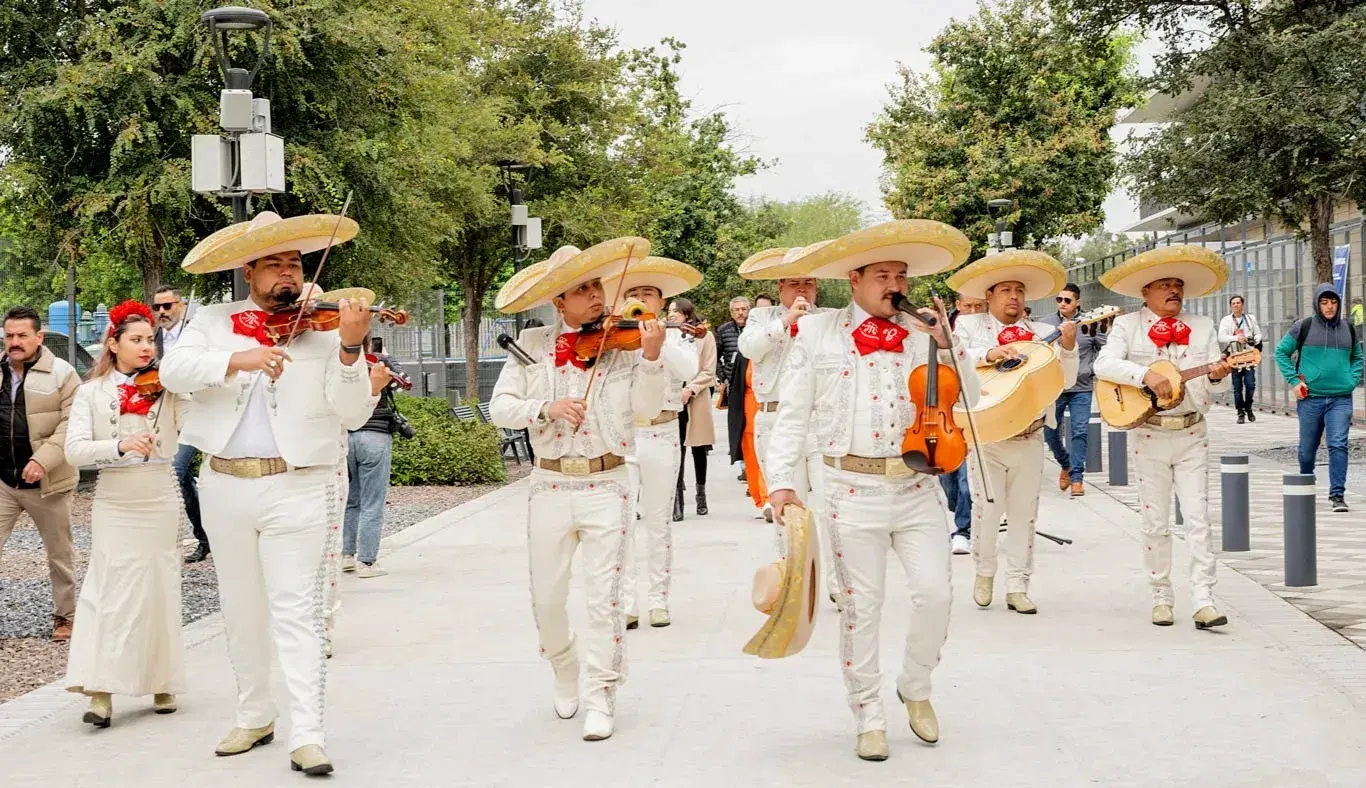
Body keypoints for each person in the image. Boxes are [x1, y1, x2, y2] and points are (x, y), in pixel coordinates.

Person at [162, 211, 376, 776]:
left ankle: (307, 732)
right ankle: (254, 713)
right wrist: (240, 357)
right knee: (240, 608)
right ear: (249, 270)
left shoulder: (328, 328)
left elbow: (352, 413)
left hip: (297, 484)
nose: (287, 273)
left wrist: (352, 351)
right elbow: (173, 371)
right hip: (225, 481)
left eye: (295, 263)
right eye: (275, 263)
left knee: (295, 612)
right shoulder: (213, 319)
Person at [765, 219, 978, 762]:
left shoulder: (922, 331)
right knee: (863, 606)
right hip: (847, 488)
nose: (895, 285)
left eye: (901, 275)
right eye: (883, 274)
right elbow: (792, 414)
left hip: (915, 487)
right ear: (854, 279)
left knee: (936, 594)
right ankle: (868, 712)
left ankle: (916, 685)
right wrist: (783, 483)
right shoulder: (817, 333)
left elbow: (968, 399)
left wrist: (950, 348)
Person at [489, 239, 667, 743]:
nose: (594, 297)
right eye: (580, 290)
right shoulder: (533, 343)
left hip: (608, 481)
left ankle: (601, 694)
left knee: (605, 599)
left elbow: (648, 407)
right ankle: (564, 665)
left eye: (596, 286)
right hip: (548, 482)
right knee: (546, 598)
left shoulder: (625, 343)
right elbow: (501, 406)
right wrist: (545, 407)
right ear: (558, 303)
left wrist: (652, 360)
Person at [62, 301, 188, 728]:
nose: (146, 347)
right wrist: (116, 447)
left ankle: (163, 681)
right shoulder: (91, 391)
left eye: (150, 339)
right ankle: (100, 689)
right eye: (136, 340)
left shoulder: (167, 386)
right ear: (112, 343)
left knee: (160, 585)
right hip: (115, 497)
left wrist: (189, 385)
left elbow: (197, 424)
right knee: (109, 590)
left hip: (159, 493)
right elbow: (74, 451)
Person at [1094, 245, 1233, 629]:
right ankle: (1161, 594)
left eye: (1178, 285)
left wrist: (1218, 376)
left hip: (1192, 432)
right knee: (1154, 521)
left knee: (1198, 518)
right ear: (1146, 292)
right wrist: (1146, 376)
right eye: (1165, 285)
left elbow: (1214, 388)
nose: (1174, 291)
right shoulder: (1126, 325)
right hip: (1149, 434)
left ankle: (1204, 598)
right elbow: (1103, 364)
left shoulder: (1203, 326)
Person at [949, 250, 1077, 616]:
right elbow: (956, 357)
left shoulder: (1040, 334)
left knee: (1025, 514)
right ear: (989, 296)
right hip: (987, 436)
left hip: (1030, 435)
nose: (1014, 297)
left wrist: (1067, 350)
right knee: (987, 511)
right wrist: (990, 353)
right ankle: (984, 570)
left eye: (1019, 290)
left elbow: (1063, 382)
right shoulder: (970, 327)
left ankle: (1019, 584)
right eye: (1005, 290)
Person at [600, 257, 700, 631]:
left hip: (662, 431)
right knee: (621, 522)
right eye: (634, 295)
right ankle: (626, 602)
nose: (641, 300)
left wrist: (656, 340)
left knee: (658, 521)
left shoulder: (676, 337)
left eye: (648, 295)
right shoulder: (615, 338)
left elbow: (691, 370)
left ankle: (658, 599)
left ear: (661, 302)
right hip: (624, 436)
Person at [739, 246, 842, 607]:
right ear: (781, 286)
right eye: (795, 283)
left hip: (822, 421)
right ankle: (792, 582)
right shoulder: (760, 316)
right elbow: (749, 348)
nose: (803, 290)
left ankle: (838, 583)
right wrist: (785, 322)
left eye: (810, 283)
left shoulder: (831, 318)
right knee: (786, 507)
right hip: (776, 417)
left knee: (833, 506)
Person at [0, 306, 79, 641]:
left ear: (38, 337)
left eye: (22, 335)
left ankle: (66, 617)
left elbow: (72, 422)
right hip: (4, 481)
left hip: (48, 482)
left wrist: (43, 460)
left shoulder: (62, 373)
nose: (14, 342)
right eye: (9, 335)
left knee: (60, 555)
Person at [1275, 284, 1362, 513]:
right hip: (1310, 398)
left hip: (1340, 399)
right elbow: (1281, 352)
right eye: (1324, 302)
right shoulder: (1303, 327)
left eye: (1333, 302)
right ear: (1317, 304)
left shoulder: (1349, 329)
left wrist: (1350, 381)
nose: (1329, 306)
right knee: (1307, 449)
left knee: (1338, 444)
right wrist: (1294, 381)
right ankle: (1305, 487)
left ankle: (1337, 495)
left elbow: (1357, 358)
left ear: (1338, 303)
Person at [152, 286, 210, 563]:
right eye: (158, 308)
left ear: (181, 305)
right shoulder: (151, 341)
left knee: (175, 470)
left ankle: (200, 537)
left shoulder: (195, 335)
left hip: (196, 410)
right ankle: (204, 537)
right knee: (183, 478)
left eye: (167, 306)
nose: (162, 312)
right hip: (165, 412)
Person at [1039, 282, 1107, 497]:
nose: (1062, 304)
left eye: (1067, 300)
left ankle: (1077, 478)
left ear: (1078, 302)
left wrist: (1091, 369)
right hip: (1055, 386)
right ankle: (1066, 463)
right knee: (1050, 431)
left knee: (1080, 432)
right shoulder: (1045, 323)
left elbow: (1104, 350)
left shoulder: (1091, 322)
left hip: (1082, 388)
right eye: (1059, 299)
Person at [342, 335, 400, 578]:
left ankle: (346, 555)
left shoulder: (339, 365)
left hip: (346, 437)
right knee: (372, 502)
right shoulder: (380, 361)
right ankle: (367, 563)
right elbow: (399, 384)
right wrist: (383, 359)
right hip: (375, 436)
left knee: (350, 500)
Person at [939, 294, 985, 553]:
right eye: (968, 306)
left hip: (976, 411)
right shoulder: (944, 329)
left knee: (967, 479)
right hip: (946, 413)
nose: (973, 311)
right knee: (949, 478)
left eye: (978, 306)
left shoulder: (986, 330)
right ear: (958, 306)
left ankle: (963, 529)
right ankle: (959, 509)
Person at [671, 297, 717, 521]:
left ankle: (701, 494)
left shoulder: (704, 336)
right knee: (675, 448)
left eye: (676, 312)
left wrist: (690, 389)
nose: (671, 315)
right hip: (672, 397)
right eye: (669, 311)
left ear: (687, 314)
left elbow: (709, 370)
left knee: (699, 448)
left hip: (696, 395)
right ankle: (676, 498)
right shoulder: (669, 335)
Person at [1218, 295, 1263, 424]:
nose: (1236, 305)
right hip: (1234, 356)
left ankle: (1248, 407)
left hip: (1249, 355)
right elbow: (1221, 337)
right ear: (1231, 306)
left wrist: (1256, 339)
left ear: (1242, 304)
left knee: (1250, 385)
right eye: (1233, 303)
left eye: (1238, 303)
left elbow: (1258, 333)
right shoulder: (1226, 320)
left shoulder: (1250, 318)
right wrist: (1236, 338)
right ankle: (1240, 412)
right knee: (1237, 387)